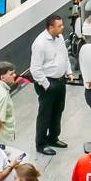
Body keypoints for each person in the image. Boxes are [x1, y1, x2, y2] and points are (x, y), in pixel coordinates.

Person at [31, 16, 72, 157]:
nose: (62, 28)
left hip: (60, 81)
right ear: (50, 27)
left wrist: (68, 71)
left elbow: (65, 56)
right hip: (47, 83)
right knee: (45, 114)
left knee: (58, 111)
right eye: (59, 26)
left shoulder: (59, 38)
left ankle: (53, 138)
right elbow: (35, 69)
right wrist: (47, 85)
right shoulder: (40, 44)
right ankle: (41, 144)